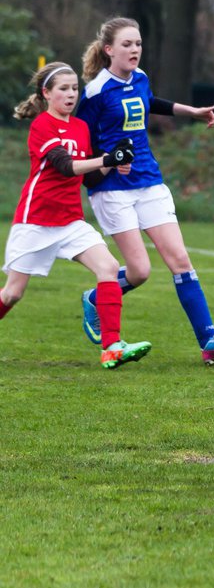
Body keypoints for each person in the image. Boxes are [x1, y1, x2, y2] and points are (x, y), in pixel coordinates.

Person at [77, 17, 214, 366]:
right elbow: (83, 151)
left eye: (137, 44)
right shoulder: (93, 93)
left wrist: (191, 112)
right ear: (109, 50)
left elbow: (152, 102)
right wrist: (108, 164)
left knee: (180, 261)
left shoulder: (140, 79)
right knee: (139, 271)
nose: (135, 49)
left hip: (149, 182)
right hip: (112, 191)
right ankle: (95, 298)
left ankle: (209, 341)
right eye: (127, 44)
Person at [2, 62, 151, 368]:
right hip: (36, 221)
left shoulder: (81, 127)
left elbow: (90, 179)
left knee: (109, 267)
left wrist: (114, 162)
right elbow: (65, 166)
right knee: (12, 294)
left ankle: (112, 347)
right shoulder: (41, 125)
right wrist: (105, 158)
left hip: (70, 221)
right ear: (47, 93)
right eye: (64, 89)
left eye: (74, 89)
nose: (71, 95)